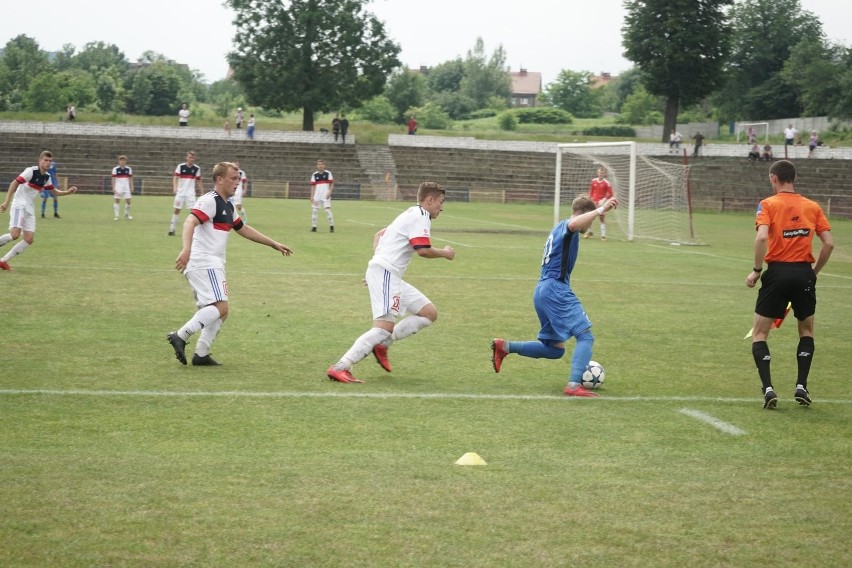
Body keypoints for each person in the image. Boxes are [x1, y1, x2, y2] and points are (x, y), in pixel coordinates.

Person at [491, 194, 619, 397]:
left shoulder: (559, 227)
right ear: (584, 214)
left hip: (542, 290)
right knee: (585, 336)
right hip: (555, 290)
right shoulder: (569, 226)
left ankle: (505, 347)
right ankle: (574, 385)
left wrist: (599, 207)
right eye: (591, 218)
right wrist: (601, 210)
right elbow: (575, 223)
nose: (591, 223)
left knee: (554, 349)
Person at [326, 182, 455, 383]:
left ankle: (383, 345)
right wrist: (445, 253)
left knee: (429, 313)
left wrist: (376, 266)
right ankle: (341, 366)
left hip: (387, 273)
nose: (442, 207)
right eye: (440, 202)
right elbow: (423, 250)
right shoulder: (420, 216)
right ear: (429, 200)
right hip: (386, 273)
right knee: (382, 327)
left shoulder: (409, 213)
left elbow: (378, 235)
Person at [167, 161, 293, 366]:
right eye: (233, 179)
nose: (238, 183)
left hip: (210, 263)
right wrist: (186, 249)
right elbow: (190, 221)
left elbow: (243, 228)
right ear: (219, 179)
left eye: (239, 179)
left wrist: (273, 244)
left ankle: (201, 354)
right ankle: (180, 335)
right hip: (203, 262)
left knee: (218, 313)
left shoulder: (227, 205)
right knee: (221, 307)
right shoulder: (210, 200)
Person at [745, 159, 833, 409]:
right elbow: (829, 243)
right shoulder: (812, 206)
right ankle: (801, 385)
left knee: (760, 333)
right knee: (806, 331)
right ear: (793, 179)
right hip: (804, 273)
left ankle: (769, 388)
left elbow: (762, 236)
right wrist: (813, 272)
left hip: (777, 273)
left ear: (774, 178)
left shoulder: (768, 204)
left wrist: (756, 270)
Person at [0, 151, 78, 271]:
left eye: (50, 161)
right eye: (45, 160)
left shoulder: (47, 177)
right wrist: (6, 202)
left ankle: (3, 261)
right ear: (40, 160)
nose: (48, 163)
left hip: (29, 208)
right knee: (15, 235)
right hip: (19, 205)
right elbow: (14, 183)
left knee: (29, 239)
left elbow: (54, 191)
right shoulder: (31, 171)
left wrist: (67, 192)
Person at [168, 151, 203, 236]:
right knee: (177, 210)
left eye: (193, 157)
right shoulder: (180, 166)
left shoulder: (196, 168)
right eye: (190, 157)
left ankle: (195, 232)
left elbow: (199, 181)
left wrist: (202, 192)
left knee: (193, 212)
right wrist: (175, 187)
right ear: (186, 157)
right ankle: (172, 230)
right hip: (180, 193)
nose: (191, 159)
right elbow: (175, 177)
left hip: (190, 194)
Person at [584, 167, 613, 240]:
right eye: (600, 173)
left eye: (602, 173)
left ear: (604, 174)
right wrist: (589, 199)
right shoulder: (593, 181)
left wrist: (604, 199)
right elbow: (591, 191)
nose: (601, 174)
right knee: (589, 217)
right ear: (598, 173)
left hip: (601, 204)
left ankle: (603, 236)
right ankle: (590, 232)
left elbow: (610, 194)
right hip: (593, 203)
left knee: (602, 218)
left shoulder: (607, 183)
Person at [309, 159, 335, 232]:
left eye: (322, 164)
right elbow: (313, 186)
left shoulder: (328, 173)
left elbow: (332, 183)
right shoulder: (314, 174)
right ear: (317, 166)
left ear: (324, 165)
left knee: (327, 210)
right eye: (319, 164)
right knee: (314, 211)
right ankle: (314, 227)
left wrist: (329, 192)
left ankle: (331, 226)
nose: (320, 166)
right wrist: (312, 196)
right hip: (317, 196)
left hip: (325, 195)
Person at [111, 155, 134, 220]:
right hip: (118, 188)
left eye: (124, 160)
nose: (122, 162)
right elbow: (113, 179)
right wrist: (113, 187)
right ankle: (116, 216)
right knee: (117, 201)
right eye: (121, 160)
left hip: (126, 188)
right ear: (119, 161)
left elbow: (130, 178)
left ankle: (126, 214)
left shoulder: (129, 169)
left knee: (129, 201)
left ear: (125, 161)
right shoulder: (115, 169)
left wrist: (132, 186)